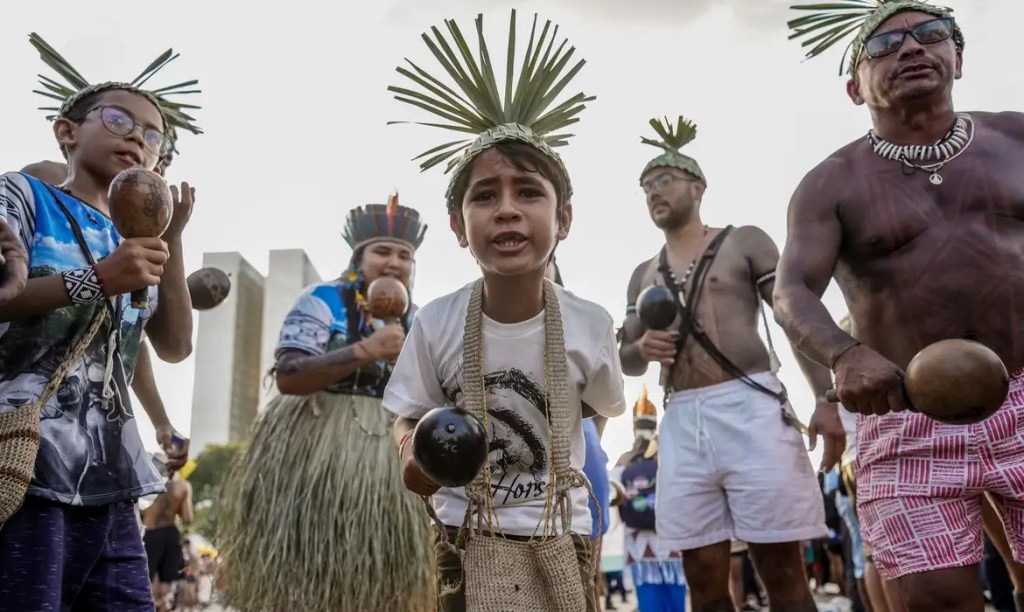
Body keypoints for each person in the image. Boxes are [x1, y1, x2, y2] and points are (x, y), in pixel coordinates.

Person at [776, 2, 1024, 610]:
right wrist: (845, 355)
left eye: (931, 34)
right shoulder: (830, 183)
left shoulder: (1017, 137)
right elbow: (790, 291)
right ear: (853, 87)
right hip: (905, 413)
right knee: (934, 601)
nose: (912, 48)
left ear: (958, 59)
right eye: (885, 45)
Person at [384, 10, 625, 612]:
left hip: (559, 532)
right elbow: (407, 415)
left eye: (528, 193)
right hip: (463, 534)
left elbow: (596, 409)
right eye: (484, 196)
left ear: (563, 219)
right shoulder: (435, 321)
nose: (507, 210)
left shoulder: (590, 325)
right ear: (459, 227)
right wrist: (413, 454)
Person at [0, 51, 197, 608]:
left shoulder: (132, 235)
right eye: (117, 120)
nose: (137, 137)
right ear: (66, 132)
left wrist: (172, 237)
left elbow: (170, 346)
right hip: (24, 460)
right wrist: (97, 279)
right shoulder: (22, 195)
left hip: (111, 479)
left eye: (155, 138)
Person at [617, 114, 835, 611]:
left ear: (698, 186)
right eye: (646, 185)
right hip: (682, 417)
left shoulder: (745, 241)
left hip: (750, 406)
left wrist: (825, 398)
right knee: (703, 575)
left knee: (780, 566)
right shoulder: (641, 275)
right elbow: (628, 362)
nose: (654, 192)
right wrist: (642, 348)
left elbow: (792, 319)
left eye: (664, 180)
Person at [216, 195, 434, 612]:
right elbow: (289, 376)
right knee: (306, 577)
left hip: (389, 457)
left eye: (404, 255)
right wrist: (365, 350)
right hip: (315, 450)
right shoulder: (322, 300)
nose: (393, 263)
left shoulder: (420, 319)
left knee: (387, 584)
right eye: (382, 251)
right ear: (358, 257)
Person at [615, 386, 687, 612]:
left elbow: (616, 504)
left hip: (638, 547)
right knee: (675, 601)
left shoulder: (624, 461)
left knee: (650, 602)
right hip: (672, 543)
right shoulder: (669, 456)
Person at [142, 457, 194, 611]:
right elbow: (188, 518)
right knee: (166, 584)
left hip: (149, 533)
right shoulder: (183, 486)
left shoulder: (147, 480)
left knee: (147, 579)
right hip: (170, 533)